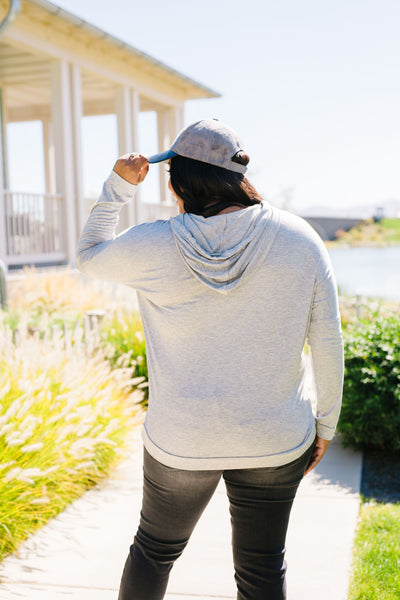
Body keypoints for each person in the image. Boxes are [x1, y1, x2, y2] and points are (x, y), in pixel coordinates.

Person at [76, 118, 344, 600]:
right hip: (275, 438)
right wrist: (326, 427)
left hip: (181, 440)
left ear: (179, 179)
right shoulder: (300, 239)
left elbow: (89, 255)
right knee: (262, 570)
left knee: (154, 552)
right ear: (236, 177)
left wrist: (117, 188)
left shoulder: (153, 243)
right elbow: (328, 340)